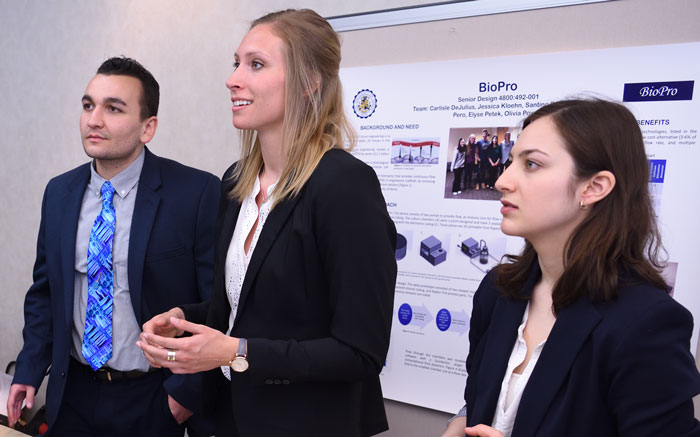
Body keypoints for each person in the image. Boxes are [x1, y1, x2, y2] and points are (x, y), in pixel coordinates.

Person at [137, 9, 397, 437]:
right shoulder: (236, 181)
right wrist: (184, 321)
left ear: (310, 80)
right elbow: (242, 310)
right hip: (227, 419)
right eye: (236, 63)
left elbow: (360, 352)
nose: (233, 79)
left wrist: (234, 352)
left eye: (255, 64)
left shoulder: (344, 186)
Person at [441, 99, 700, 437]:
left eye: (531, 164)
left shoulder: (645, 322)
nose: (503, 180)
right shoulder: (498, 290)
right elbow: (482, 402)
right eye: (510, 162)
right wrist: (459, 424)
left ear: (593, 187)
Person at [7, 57, 220, 436]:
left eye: (113, 108)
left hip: (151, 397)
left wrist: (183, 399)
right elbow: (45, 293)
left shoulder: (196, 193)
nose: (94, 120)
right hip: (71, 393)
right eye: (88, 105)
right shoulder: (59, 193)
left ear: (147, 127)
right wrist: (28, 370)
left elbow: (215, 306)